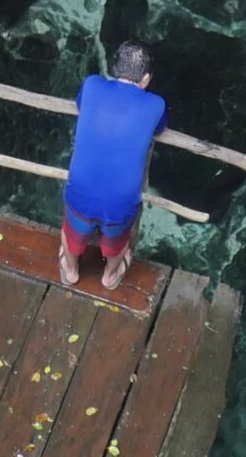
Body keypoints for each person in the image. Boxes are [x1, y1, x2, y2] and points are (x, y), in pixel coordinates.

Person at [60, 40, 167, 291]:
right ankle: (110, 276)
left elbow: (80, 104)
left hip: (80, 193)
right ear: (146, 79)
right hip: (121, 203)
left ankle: (71, 270)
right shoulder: (156, 105)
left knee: (73, 233)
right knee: (117, 244)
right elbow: (160, 127)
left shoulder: (92, 85)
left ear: (114, 68)